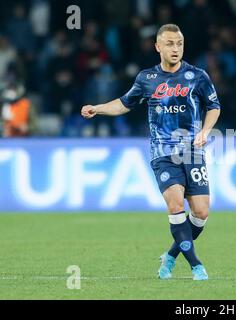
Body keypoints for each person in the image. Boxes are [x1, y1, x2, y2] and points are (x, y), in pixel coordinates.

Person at [81, 24, 221, 281]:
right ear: (158, 47)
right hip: (163, 152)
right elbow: (124, 104)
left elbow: (213, 106)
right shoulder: (147, 79)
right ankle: (196, 266)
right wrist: (98, 108)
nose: (175, 48)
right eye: (169, 43)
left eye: (179, 43)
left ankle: (170, 256)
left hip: (192, 152)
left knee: (201, 212)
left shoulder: (197, 76)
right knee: (176, 205)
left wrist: (206, 130)